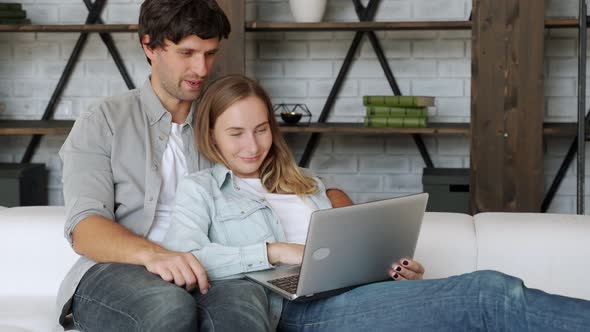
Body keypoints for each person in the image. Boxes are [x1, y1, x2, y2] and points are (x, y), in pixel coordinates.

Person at [161, 75, 590, 331]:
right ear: (211, 135)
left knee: (492, 294)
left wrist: (391, 268)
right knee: (491, 294)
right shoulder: (201, 190)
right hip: (291, 311)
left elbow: (341, 252)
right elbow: (186, 257)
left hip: (349, 294)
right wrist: (273, 251)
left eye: (260, 129)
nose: (252, 145)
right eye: (235, 133)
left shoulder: (306, 183)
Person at [57, 1, 349, 330]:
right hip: (123, 269)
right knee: (169, 308)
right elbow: (85, 229)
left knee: (245, 310)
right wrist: (156, 255)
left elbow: (302, 178)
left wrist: (347, 231)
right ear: (149, 46)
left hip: (217, 271)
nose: (202, 69)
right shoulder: (104, 120)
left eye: (210, 54)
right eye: (188, 53)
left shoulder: (222, 119)